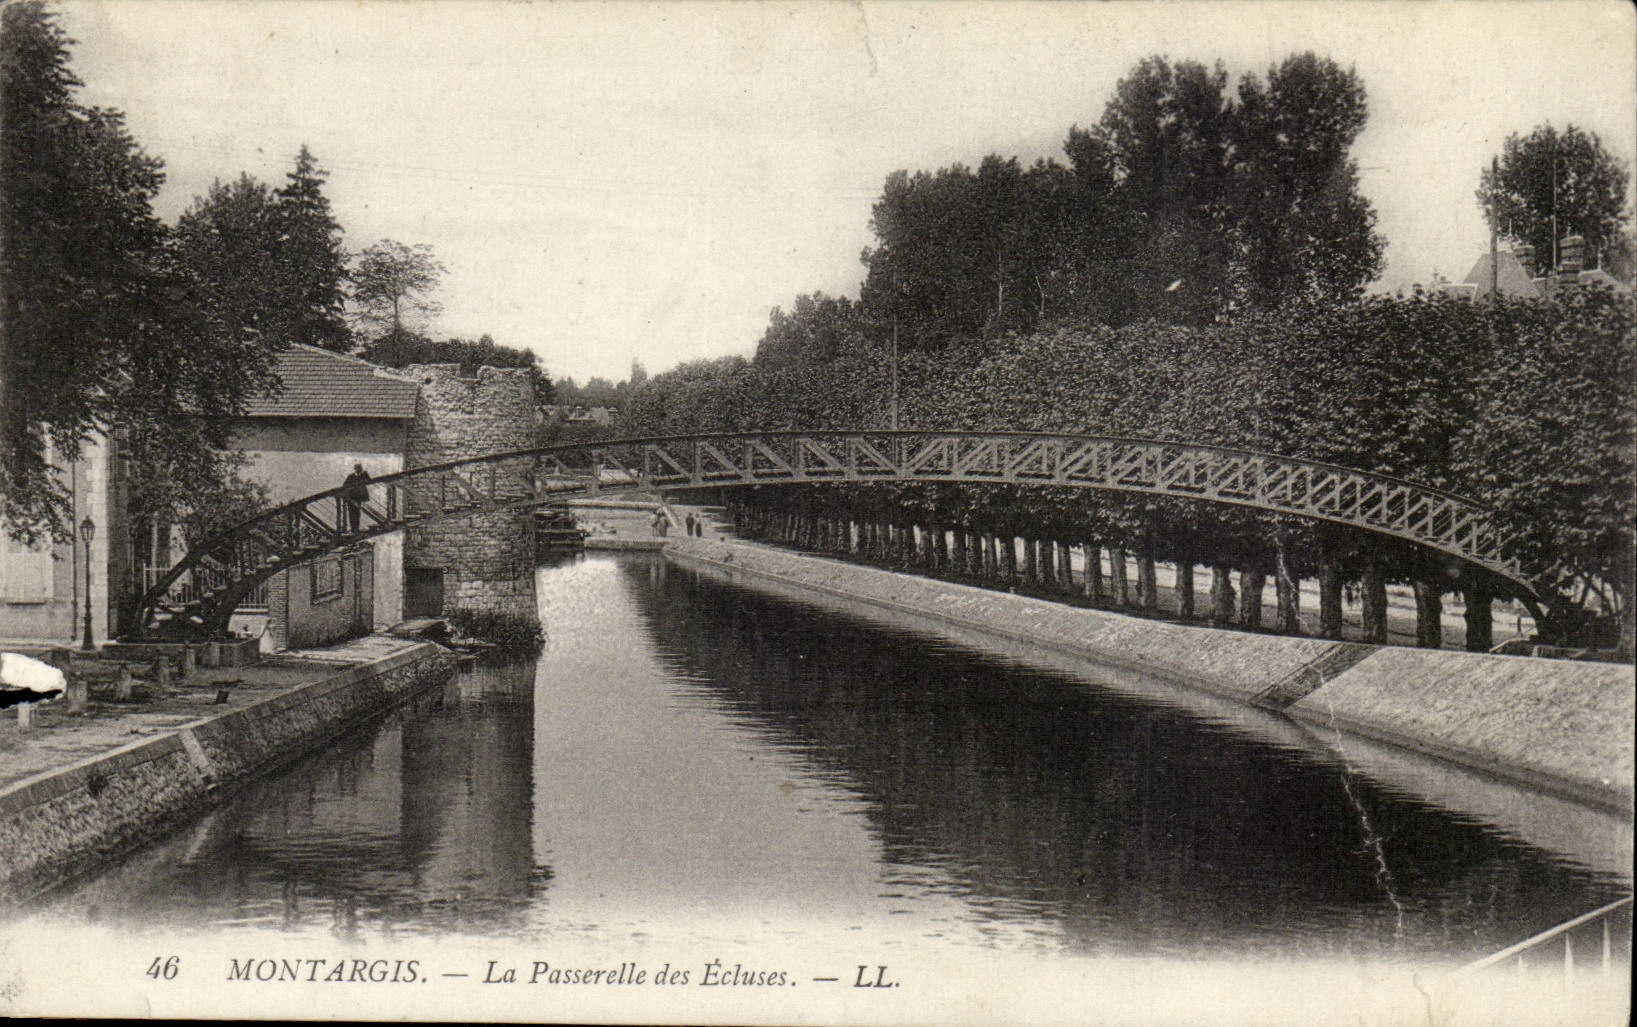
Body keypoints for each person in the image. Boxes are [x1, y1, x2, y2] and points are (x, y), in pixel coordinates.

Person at [343, 463, 371, 532]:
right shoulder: (350, 476)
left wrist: (365, 473)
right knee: (351, 513)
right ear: (355, 469)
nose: (358, 470)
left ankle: (356, 528)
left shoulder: (363, 475)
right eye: (357, 468)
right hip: (351, 497)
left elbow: (369, 481)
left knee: (357, 513)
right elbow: (344, 485)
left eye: (359, 468)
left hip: (358, 497)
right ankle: (353, 528)